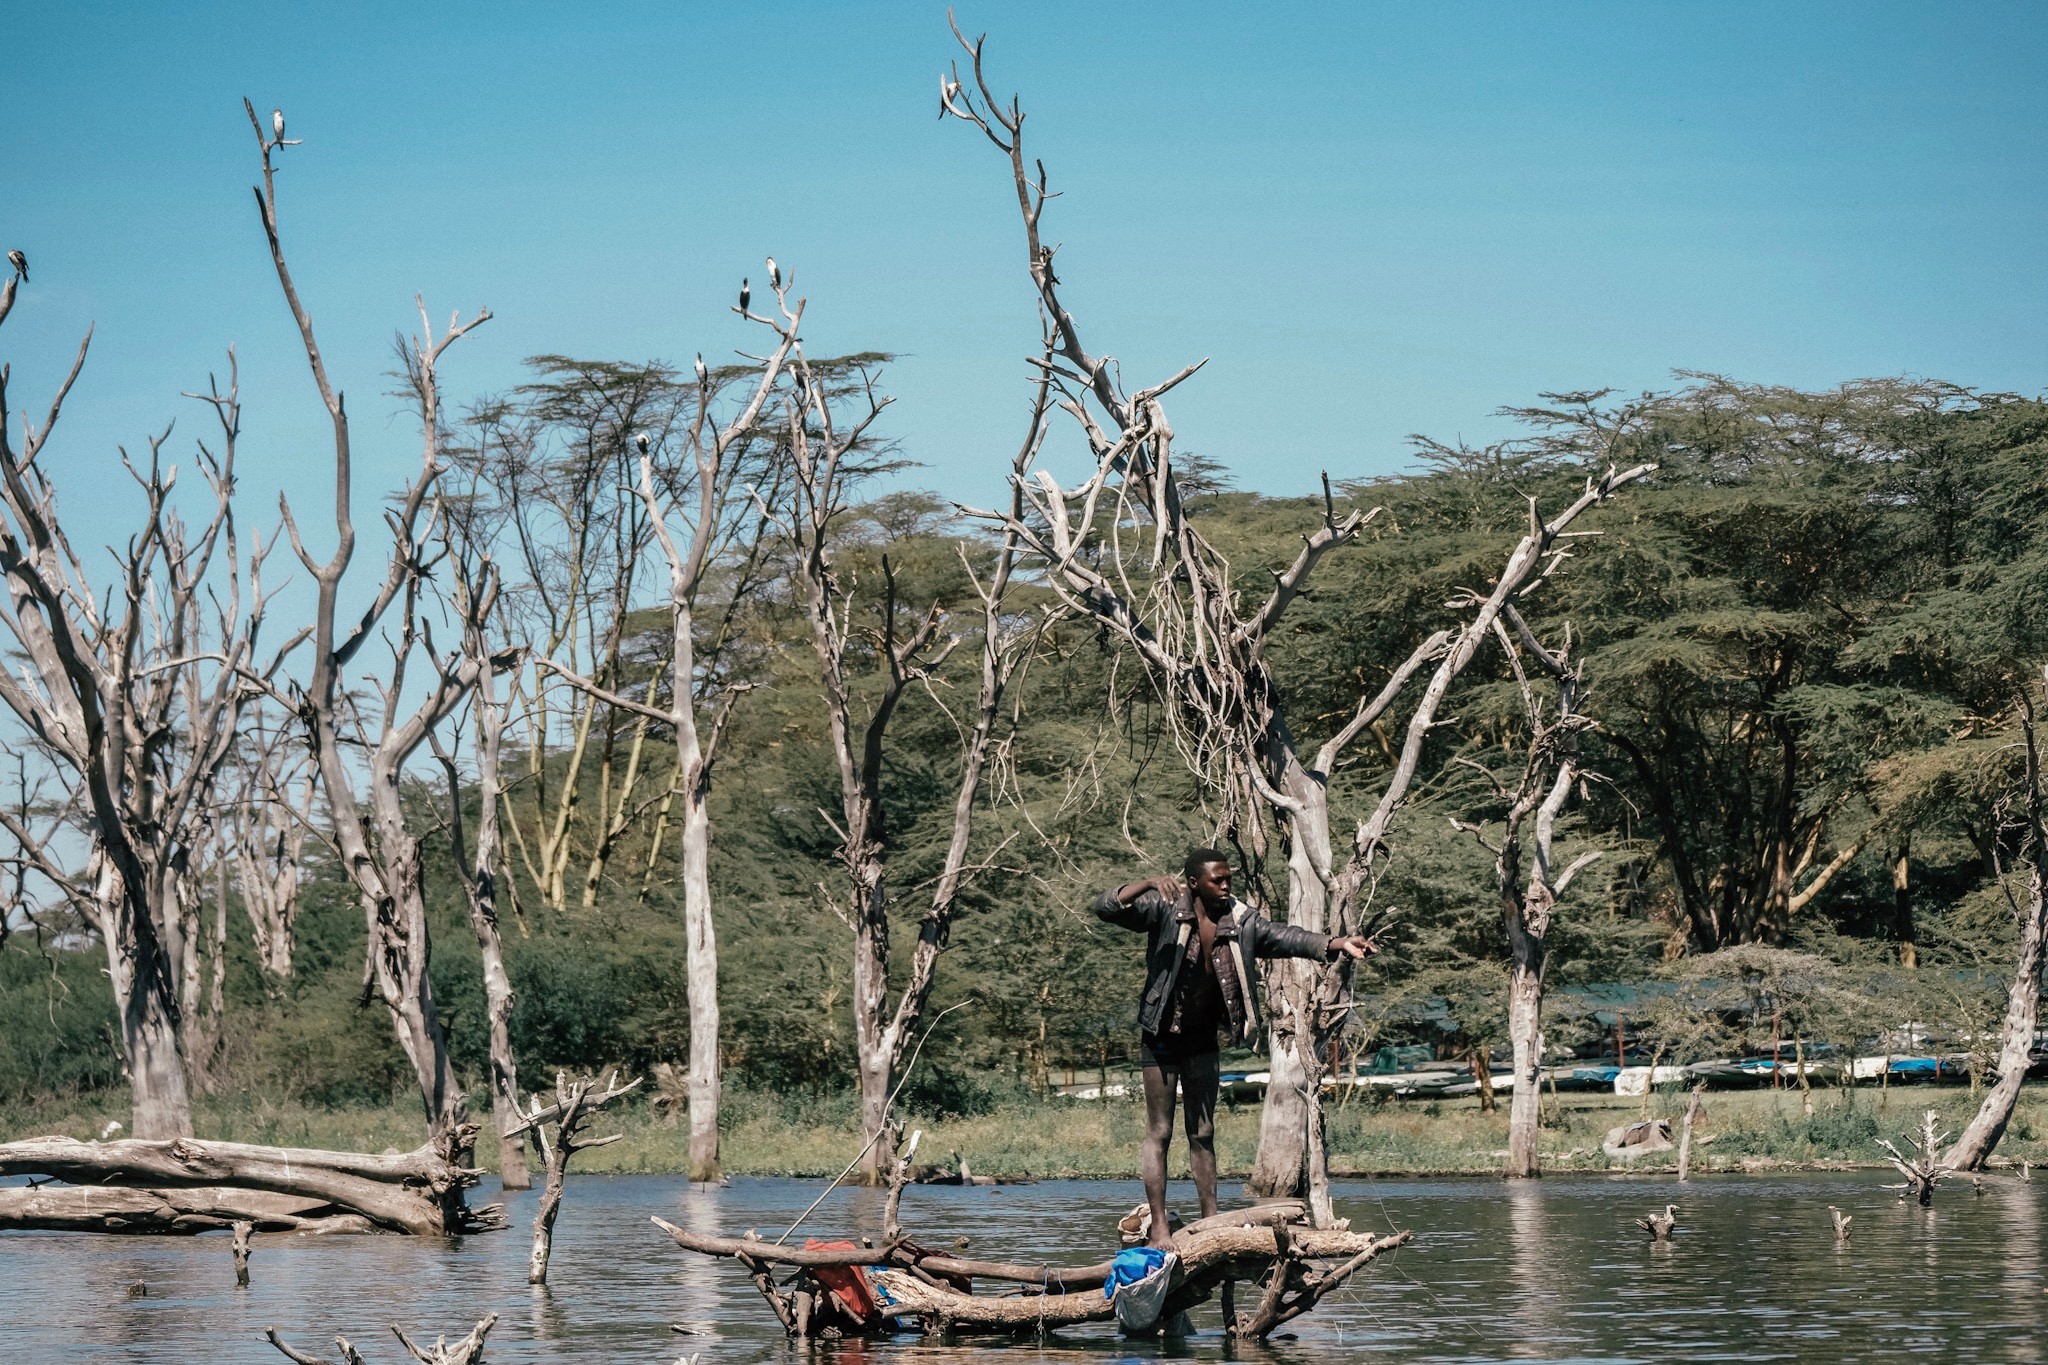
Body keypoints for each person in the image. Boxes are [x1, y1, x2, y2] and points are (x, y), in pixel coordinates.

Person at [1094, 848, 1376, 1250]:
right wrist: (1147, 883)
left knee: (1203, 1132)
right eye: (1217, 880)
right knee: (1160, 1131)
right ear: (1194, 882)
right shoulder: (1163, 907)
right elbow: (1105, 907)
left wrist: (1337, 943)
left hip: (1202, 1038)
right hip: (1161, 1034)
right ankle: (1158, 1224)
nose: (1226, 885)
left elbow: (1285, 937)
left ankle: (1211, 1222)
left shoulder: (1240, 920)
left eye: (1228, 878)